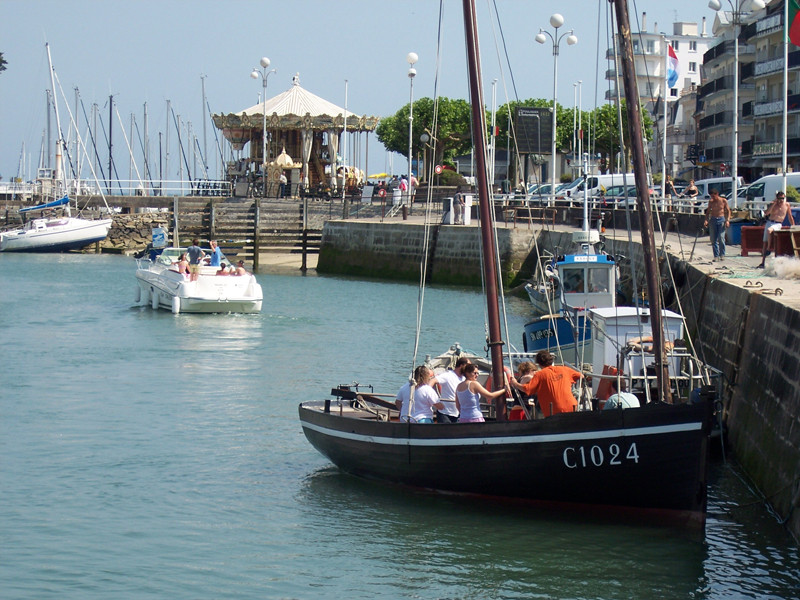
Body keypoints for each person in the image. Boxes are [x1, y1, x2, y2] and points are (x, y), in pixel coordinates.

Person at [509, 350, 583, 416]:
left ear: (539, 364)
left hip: (553, 410)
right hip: (572, 406)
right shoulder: (565, 369)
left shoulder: (540, 375)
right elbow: (581, 376)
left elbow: (527, 389)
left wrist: (515, 383)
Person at [758, 190, 795, 268]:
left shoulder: (787, 205)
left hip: (778, 223)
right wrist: (774, 204)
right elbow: (767, 213)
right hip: (770, 221)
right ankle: (763, 261)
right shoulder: (773, 204)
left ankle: (769, 249)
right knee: (764, 242)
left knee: (769, 230)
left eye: (782, 198)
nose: (781, 200)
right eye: (779, 198)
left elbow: (790, 216)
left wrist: (793, 225)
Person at [433, 356, 470, 423]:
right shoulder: (448, 375)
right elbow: (433, 381)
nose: (469, 369)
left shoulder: (464, 379)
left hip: (458, 414)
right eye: (468, 366)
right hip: (445, 413)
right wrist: (435, 400)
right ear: (461, 365)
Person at [703, 188, 731, 261]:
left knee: (721, 238)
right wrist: (706, 220)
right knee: (713, 239)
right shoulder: (711, 202)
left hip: (721, 219)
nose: (713, 198)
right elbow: (708, 212)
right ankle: (716, 255)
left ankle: (722, 254)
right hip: (713, 220)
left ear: (717, 194)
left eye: (713, 196)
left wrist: (727, 220)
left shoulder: (723, 201)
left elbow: (728, 211)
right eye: (711, 196)